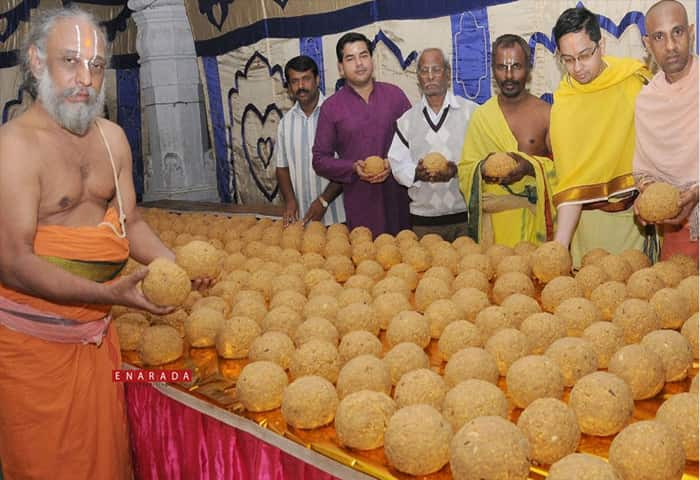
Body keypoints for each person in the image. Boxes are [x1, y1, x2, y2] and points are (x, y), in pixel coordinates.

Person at [0, 7, 208, 479]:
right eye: (70, 61)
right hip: (33, 351)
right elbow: (12, 262)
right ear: (36, 62)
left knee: (107, 463)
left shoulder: (112, 138)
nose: (85, 79)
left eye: (96, 66)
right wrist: (108, 295)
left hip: (97, 342)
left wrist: (177, 268)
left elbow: (130, 223)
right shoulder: (13, 147)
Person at [549, 7, 651, 267]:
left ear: (601, 44)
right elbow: (572, 180)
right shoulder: (564, 103)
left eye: (585, 55)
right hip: (586, 224)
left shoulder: (633, 81)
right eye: (568, 59)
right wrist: (560, 245)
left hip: (635, 221)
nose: (578, 67)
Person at [458, 34, 555, 247]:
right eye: (502, 67)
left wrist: (530, 167)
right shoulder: (481, 117)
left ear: (529, 69)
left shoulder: (546, 113)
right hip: (494, 231)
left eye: (517, 66)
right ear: (493, 70)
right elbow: (465, 169)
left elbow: (564, 172)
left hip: (535, 228)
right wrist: (482, 168)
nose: (509, 75)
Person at [312, 32, 411, 237]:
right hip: (361, 205)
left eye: (363, 55)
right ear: (341, 68)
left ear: (372, 59)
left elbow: (415, 142)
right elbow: (320, 160)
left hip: (399, 200)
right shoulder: (331, 108)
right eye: (350, 58)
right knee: (367, 262)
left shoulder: (395, 95)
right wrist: (352, 167)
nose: (359, 63)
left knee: (406, 261)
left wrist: (393, 163)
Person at [387, 48, 476, 241]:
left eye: (436, 69)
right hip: (424, 221)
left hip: (466, 217)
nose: (429, 76)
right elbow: (397, 163)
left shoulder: (471, 113)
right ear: (417, 77)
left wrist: (457, 170)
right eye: (423, 70)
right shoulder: (407, 120)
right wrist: (417, 173)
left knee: (473, 268)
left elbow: (483, 158)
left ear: (448, 73)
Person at [633, 0, 698, 261]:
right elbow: (644, 171)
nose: (670, 46)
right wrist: (648, 194)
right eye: (659, 37)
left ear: (691, 33)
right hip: (678, 232)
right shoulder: (647, 101)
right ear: (648, 45)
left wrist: (696, 193)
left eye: (678, 32)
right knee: (676, 299)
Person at [275, 55, 345, 227]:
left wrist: (323, 201)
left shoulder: (338, 112)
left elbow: (347, 165)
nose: (301, 86)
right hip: (302, 221)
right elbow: (282, 168)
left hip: (338, 218)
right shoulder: (285, 123)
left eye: (306, 79)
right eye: (294, 81)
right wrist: (290, 201)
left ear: (317, 79)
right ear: (289, 87)